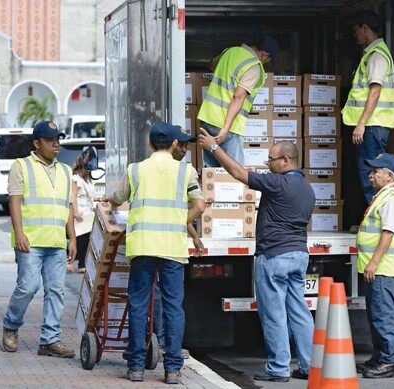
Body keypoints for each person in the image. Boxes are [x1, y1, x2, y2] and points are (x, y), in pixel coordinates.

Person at [198, 130, 315, 382]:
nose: (268, 164)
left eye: (271, 160)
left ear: (285, 160)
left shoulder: (278, 183)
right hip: (299, 254)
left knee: (273, 313)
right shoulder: (307, 189)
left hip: (274, 256)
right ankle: (309, 365)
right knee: (299, 312)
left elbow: (240, 174)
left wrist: (213, 149)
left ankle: (279, 368)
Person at [106, 121, 205, 384]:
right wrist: (183, 220)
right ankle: (172, 369)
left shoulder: (135, 170)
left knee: (138, 305)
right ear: (174, 144)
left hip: (143, 246)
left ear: (149, 144)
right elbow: (200, 204)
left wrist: (109, 201)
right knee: (173, 307)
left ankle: (136, 367)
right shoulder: (186, 171)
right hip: (172, 248)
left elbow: (117, 198)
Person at [2, 120, 77, 359]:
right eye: (50, 140)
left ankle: (50, 340)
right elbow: (14, 201)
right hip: (30, 242)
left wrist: (72, 238)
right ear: (37, 143)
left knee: (56, 291)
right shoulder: (21, 166)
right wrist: (20, 233)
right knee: (28, 286)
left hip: (56, 242)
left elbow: (68, 207)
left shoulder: (66, 170)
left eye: (58, 140)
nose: (56, 144)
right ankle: (11, 325)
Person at [355, 153, 394, 379]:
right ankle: (379, 357)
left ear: (388, 175)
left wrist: (374, 262)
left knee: (383, 314)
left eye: (376, 171)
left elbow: (387, 233)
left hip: (383, 268)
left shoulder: (391, 199)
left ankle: (389, 361)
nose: (371, 174)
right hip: (378, 268)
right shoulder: (383, 196)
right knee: (376, 314)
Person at [153, 137, 205, 355]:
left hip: (165, 243)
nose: (184, 150)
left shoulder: (181, 173)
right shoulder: (162, 171)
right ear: (172, 145)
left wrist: (193, 235)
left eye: (187, 147)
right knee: (163, 299)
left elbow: (179, 212)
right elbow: (194, 208)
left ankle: (165, 345)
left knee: (167, 300)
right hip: (159, 244)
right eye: (181, 146)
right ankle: (162, 343)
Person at [342, 10, 394, 205]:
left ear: (365, 28)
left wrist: (361, 124)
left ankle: (377, 219)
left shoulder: (376, 56)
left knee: (372, 175)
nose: (355, 35)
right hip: (372, 125)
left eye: (356, 30)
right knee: (367, 173)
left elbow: (375, 92)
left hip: (373, 126)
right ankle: (372, 216)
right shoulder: (371, 55)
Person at [197, 36, 278, 167]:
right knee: (233, 175)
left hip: (208, 118)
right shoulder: (253, 66)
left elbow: (212, 64)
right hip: (227, 125)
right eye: (267, 61)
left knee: (212, 172)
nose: (265, 64)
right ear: (264, 55)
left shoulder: (230, 52)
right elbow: (238, 97)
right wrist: (226, 128)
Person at [69, 146, 102, 273]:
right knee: (79, 240)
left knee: (86, 240)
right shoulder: (76, 178)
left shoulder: (88, 179)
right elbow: (73, 196)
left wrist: (100, 199)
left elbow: (91, 196)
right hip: (80, 213)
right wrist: (75, 212)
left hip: (88, 213)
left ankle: (82, 264)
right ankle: (72, 262)